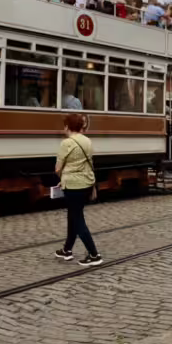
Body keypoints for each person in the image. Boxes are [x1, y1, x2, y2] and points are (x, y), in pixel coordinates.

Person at [54, 113, 102, 266]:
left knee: (78, 219)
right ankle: (67, 249)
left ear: (67, 126)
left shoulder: (66, 143)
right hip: (87, 184)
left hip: (73, 186)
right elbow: (90, 163)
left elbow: (57, 168)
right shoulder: (88, 141)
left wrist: (64, 178)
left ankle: (94, 254)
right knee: (73, 215)